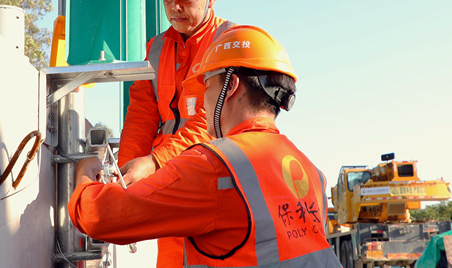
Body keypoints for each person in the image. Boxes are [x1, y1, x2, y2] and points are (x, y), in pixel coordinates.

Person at [70, 25, 340, 267]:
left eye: (206, 89)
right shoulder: (312, 173)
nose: (203, 104)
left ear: (231, 86)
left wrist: (84, 173)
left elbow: (98, 217)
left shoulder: (213, 167)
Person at [118, 0, 233, 266]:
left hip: (218, 184)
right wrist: (125, 176)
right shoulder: (155, 49)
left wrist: (153, 163)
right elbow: (141, 113)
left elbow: (213, 120)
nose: (175, 8)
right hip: (171, 182)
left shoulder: (230, 42)